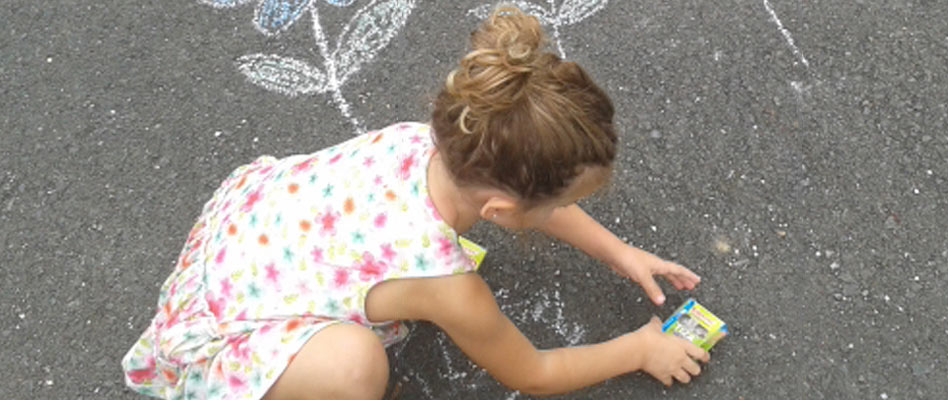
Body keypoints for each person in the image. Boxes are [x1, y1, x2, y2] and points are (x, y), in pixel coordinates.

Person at [122, 6, 709, 399]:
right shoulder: (449, 288)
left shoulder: (438, 140)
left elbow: (533, 198)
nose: (570, 207)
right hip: (224, 338)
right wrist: (636, 349)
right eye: (568, 199)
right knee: (357, 369)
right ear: (500, 212)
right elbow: (534, 372)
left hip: (242, 243)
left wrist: (619, 251)